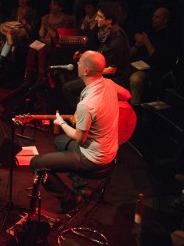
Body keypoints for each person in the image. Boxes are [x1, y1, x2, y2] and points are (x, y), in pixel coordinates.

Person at [29, 51, 121, 212]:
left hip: (93, 160)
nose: (76, 64)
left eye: (79, 62)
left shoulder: (86, 105)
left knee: (36, 164)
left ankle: (68, 199)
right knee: (59, 141)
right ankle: (81, 188)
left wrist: (61, 123)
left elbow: (79, 138)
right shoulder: (109, 84)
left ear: (86, 71)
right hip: (111, 152)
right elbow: (126, 95)